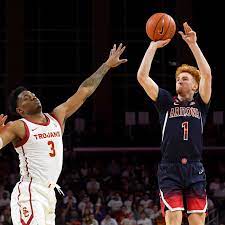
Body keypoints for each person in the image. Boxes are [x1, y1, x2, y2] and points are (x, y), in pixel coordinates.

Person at [0, 43, 127, 225]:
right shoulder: (19, 126)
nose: (33, 96)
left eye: (32, 93)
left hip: (50, 194)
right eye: (26, 98)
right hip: (30, 191)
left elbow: (84, 91)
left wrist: (106, 65)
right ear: (20, 110)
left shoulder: (57, 116)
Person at [137, 22, 212, 225]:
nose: (179, 80)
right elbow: (142, 77)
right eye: (178, 78)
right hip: (170, 168)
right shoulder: (166, 102)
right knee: (174, 218)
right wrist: (152, 46)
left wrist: (193, 45)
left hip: (195, 168)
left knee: (197, 221)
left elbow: (207, 74)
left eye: (185, 78)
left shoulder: (201, 104)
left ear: (195, 86)